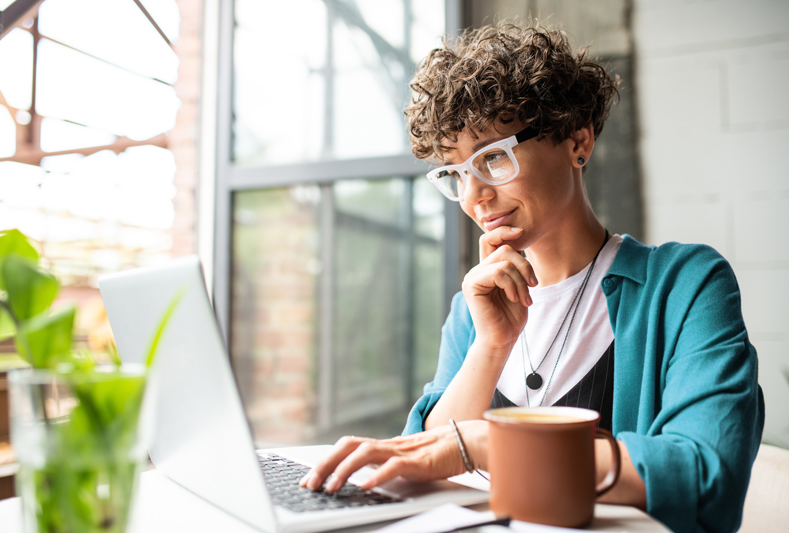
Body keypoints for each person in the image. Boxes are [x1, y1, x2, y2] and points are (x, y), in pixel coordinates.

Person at [299, 21, 764, 533]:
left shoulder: (684, 286)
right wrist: (490, 347)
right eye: (455, 172)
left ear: (577, 141)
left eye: (492, 157)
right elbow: (429, 452)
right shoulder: (473, 308)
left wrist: (489, 445)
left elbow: (705, 476)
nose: (474, 196)